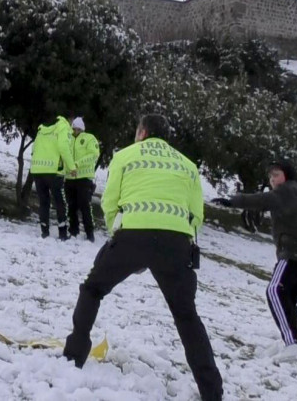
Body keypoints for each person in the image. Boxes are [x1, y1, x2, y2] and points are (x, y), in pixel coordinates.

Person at [63, 114, 223, 401]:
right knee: (187, 316)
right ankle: (212, 391)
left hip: (133, 234)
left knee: (92, 288)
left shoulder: (125, 155)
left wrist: (118, 237)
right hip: (176, 242)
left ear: (143, 132)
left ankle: (74, 354)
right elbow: (197, 213)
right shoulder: (187, 165)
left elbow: (110, 201)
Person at [212, 160, 297, 363]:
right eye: (271, 176)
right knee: (286, 299)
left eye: (277, 175)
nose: (273, 180)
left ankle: (295, 344)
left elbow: (262, 200)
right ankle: (293, 342)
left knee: (275, 291)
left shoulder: (287, 191)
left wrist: (232, 201)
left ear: (287, 175)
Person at [29, 115, 77, 240]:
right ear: (70, 119)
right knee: (60, 202)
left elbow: (33, 148)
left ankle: (44, 231)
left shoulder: (42, 129)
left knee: (44, 201)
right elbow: (63, 147)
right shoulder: (63, 127)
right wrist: (72, 167)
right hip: (54, 171)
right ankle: (62, 233)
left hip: (37, 169)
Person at [64, 117, 100, 242]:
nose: (76, 130)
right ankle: (73, 231)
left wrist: (77, 164)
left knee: (85, 206)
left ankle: (90, 234)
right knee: (71, 206)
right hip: (70, 178)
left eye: (78, 128)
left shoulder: (89, 138)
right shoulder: (68, 138)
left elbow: (94, 154)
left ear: (82, 129)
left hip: (84, 178)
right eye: (74, 128)